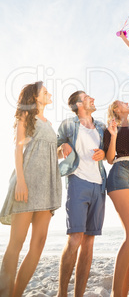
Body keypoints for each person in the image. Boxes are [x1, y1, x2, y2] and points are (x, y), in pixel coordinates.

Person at [0, 81, 62, 297]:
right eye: (45, 91)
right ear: (35, 97)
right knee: (16, 242)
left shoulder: (49, 123)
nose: (49, 93)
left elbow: (48, 154)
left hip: (47, 187)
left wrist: (62, 151)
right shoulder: (26, 117)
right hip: (26, 184)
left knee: (39, 242)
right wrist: (21, 182)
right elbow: (18, 149)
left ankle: (16, 294)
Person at [56, 91, 106, 297]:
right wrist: (62, 146)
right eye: (87, 97)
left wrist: (104, 153)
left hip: (99, 185)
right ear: (78, 104)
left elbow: (108, 153)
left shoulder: (101, 127)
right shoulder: (68, 125)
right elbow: (56, 149)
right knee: (75, 238)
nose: (92, 98)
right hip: (77, 182)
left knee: (89, 242)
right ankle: (62, 293)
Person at [103, 79, 129, 297]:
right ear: (116, 110)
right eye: (122, 102)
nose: (126, 103)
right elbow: (110, 159)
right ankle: (116, 293)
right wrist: (111, 135)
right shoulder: (111, 128)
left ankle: (124, 291)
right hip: (119, 173)